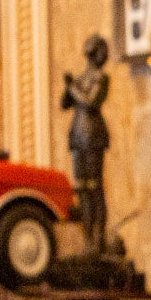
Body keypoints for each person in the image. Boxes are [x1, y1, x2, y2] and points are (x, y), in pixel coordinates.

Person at [61, 34, 111, 258]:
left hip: (93, 137)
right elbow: (65, 104)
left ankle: (98, 242)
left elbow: (91, 102)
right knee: (81, 189)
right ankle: (88, 241)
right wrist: (69, 88)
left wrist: (72, 88)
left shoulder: (101, 78)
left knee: (94, 188)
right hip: (78, 136)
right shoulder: (81, 78)